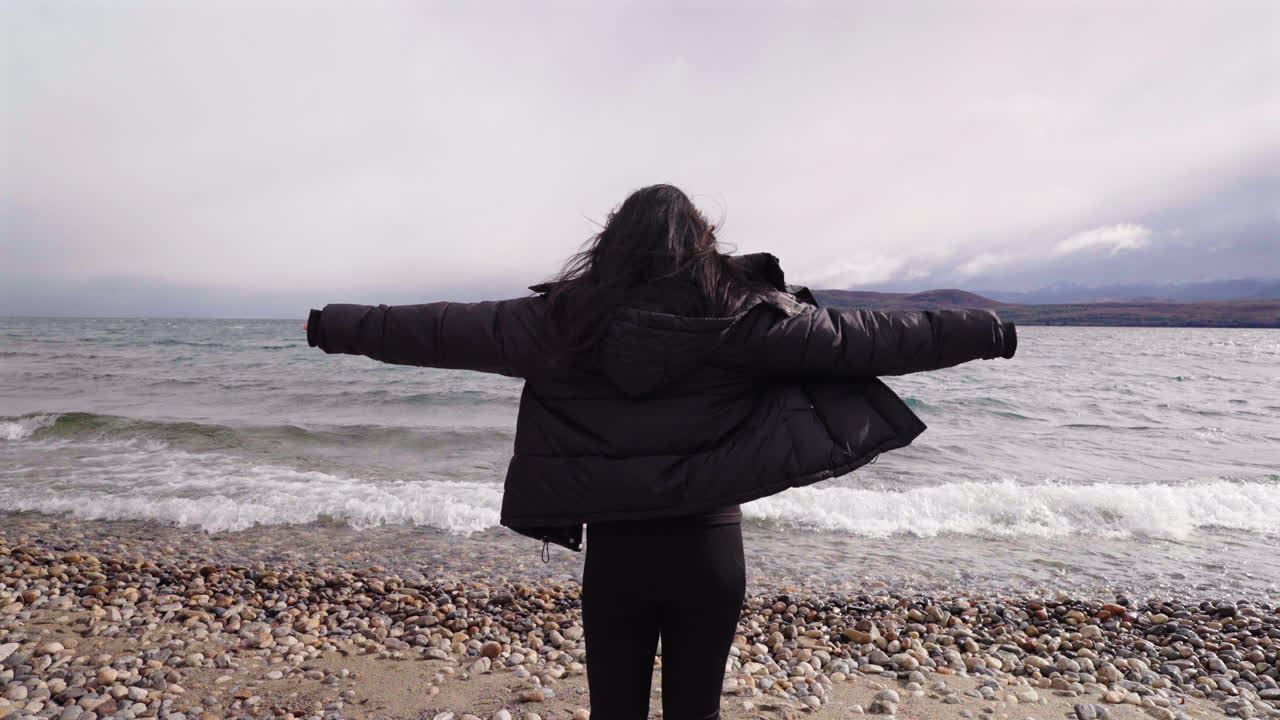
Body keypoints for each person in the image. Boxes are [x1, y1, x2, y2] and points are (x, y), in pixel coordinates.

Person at [305, 183, 1017, 720]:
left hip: (617, 554)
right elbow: (873, 337)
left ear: (611, 243)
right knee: (695, 711)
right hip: (708, 550)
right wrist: (986, 330)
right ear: (703, 242)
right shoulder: (744, 318)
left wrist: (332, 325)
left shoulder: (558, 323)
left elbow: (434, 331)